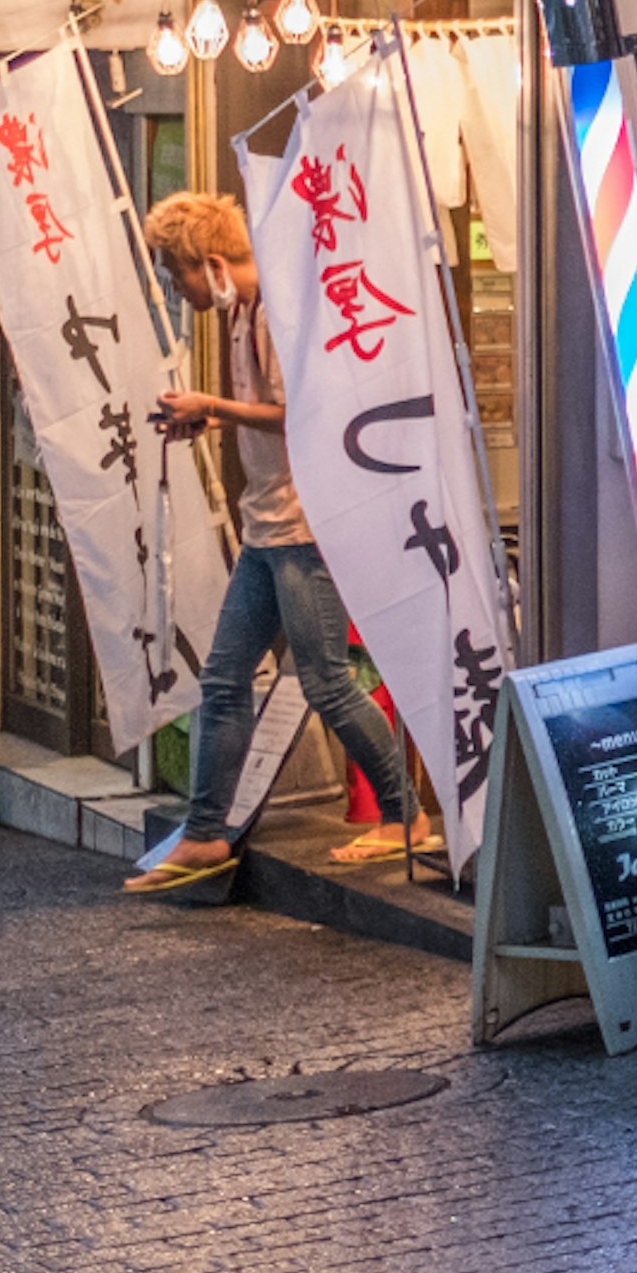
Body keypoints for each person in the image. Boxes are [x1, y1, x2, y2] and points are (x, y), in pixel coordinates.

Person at [121, 194, 433, 895]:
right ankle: (204, 835)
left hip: (305, 526)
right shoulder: (242, 310)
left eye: (178, 276)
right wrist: (211, 420)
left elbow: (303, 415)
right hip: (270, 525)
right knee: (225, 678)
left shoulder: (281, 310)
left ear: (210, 262)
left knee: (324, 680)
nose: (178, 290)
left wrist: (212, 407)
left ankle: (406, 816)